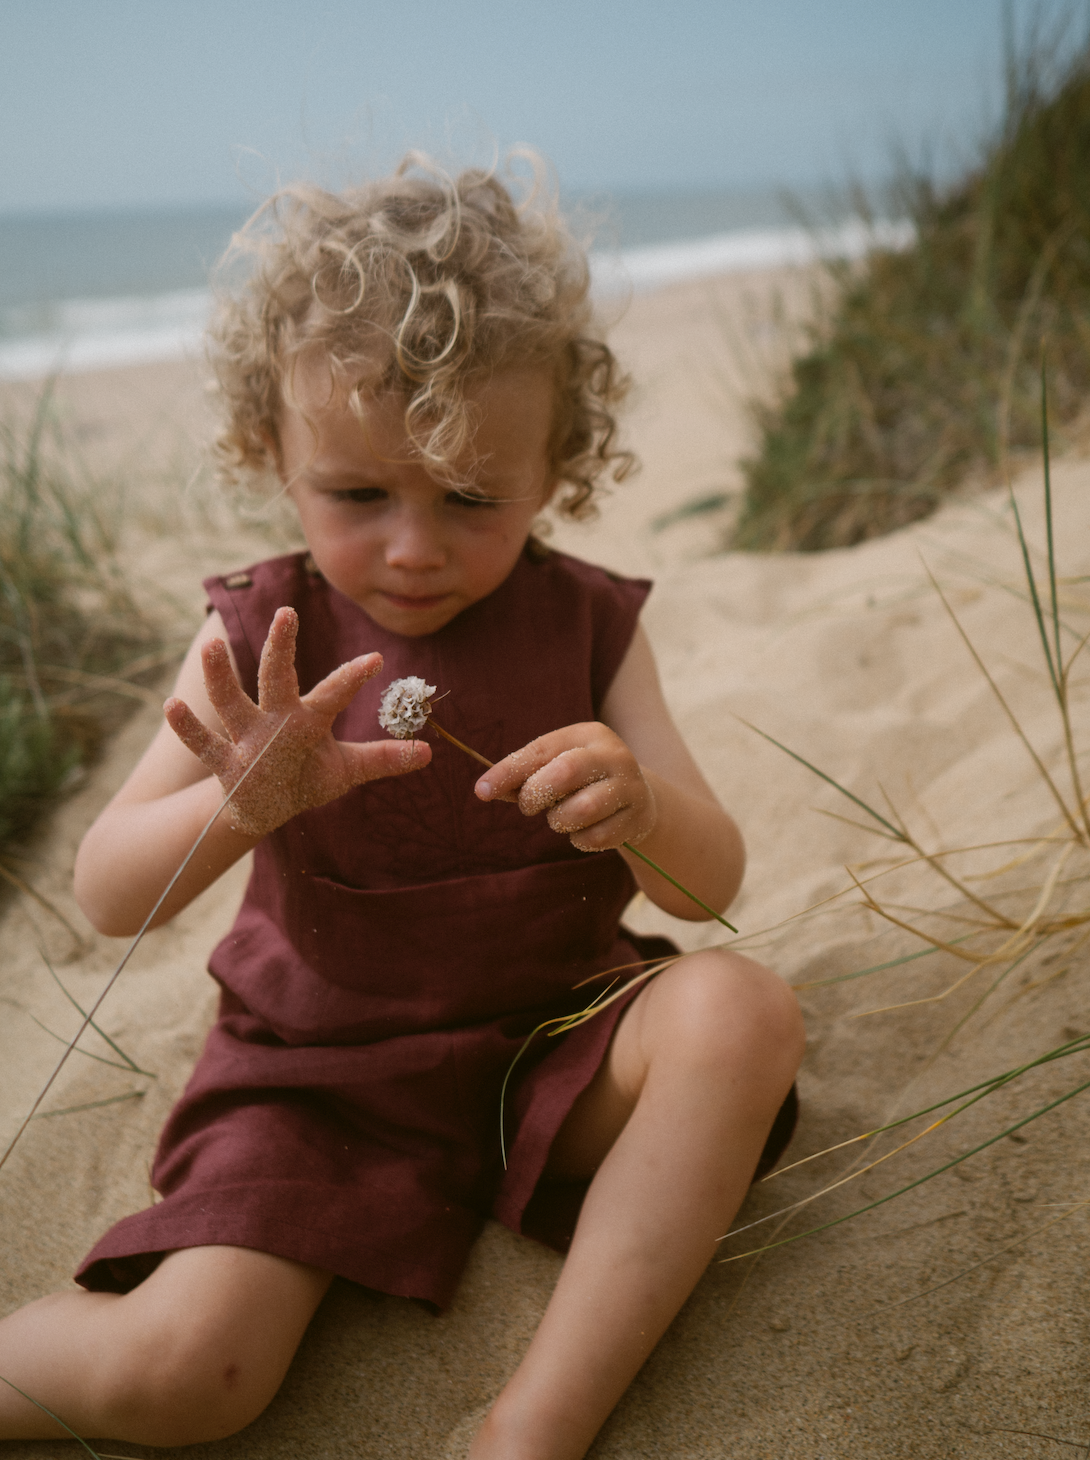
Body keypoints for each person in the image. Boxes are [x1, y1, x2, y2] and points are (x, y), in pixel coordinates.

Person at [0, 156, 804, 1460]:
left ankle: (530, 1427)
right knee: (184, 1377)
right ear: (274, 450)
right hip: (317, 1084)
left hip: (550, 1050)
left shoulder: (589, 626)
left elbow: (710, 890)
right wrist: (240, 802)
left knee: (739, 1008)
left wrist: (639, 801)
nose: (414, 547)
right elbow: (105, 894)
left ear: (557, 468)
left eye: (472, 498)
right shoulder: (261, 632)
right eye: (359, 494)